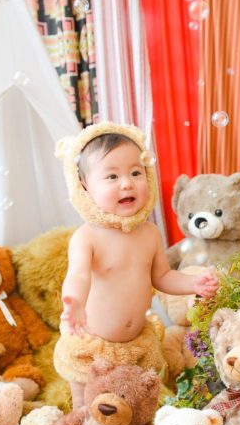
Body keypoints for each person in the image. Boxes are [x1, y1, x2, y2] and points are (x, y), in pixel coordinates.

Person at [54, 122, 219, 408]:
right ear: (84, 187)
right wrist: (75, 303)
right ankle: (81, 423)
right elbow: (78, 276)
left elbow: (162, 276)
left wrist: (192, 284)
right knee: (86, 402)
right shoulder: (87, 236)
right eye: (112, 176)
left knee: (137, 402)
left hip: (136, 343)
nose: (127, 183)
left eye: (135, 172)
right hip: (92, 342)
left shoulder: (149, 233)